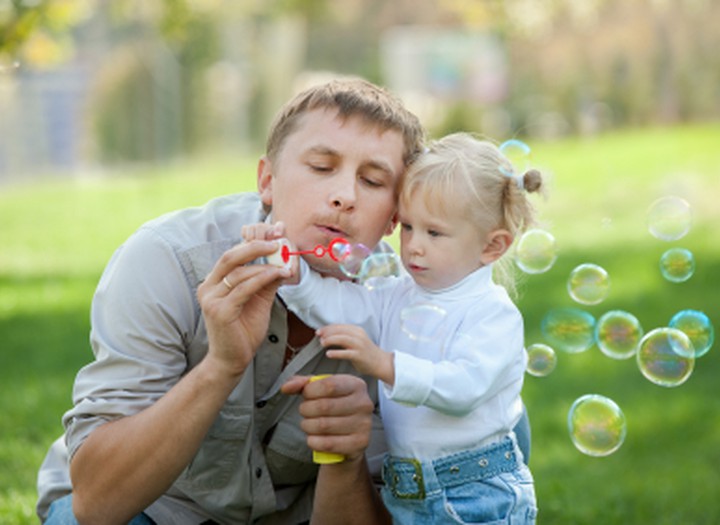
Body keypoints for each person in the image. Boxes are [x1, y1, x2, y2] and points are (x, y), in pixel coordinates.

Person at [35, 78, 530, 524]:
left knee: (506, 423)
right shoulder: (167, 262)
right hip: (157, 509)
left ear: (395, 217)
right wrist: (221, 366)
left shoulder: (408, 311)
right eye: (321, 166)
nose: (344, 196)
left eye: (373, 181)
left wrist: (346, 456)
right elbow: (97, 506)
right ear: (267, 181)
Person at [273, 132, 541, 524]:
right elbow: (341, 306)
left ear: (492, 246)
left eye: (434, 233)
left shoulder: (491, 314)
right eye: (409, 227)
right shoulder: (398, 294)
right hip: (410, 490)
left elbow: (464, 387)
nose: (414, 246)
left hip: (477, 491)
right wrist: (292, 274)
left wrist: (383, 363)